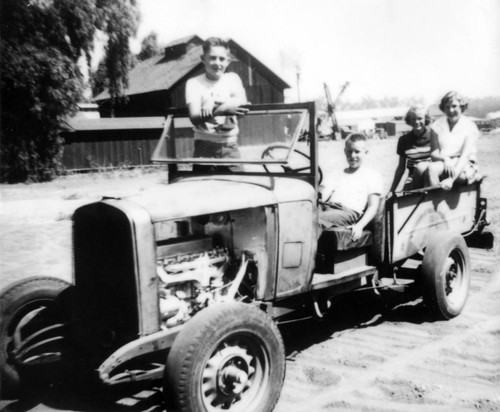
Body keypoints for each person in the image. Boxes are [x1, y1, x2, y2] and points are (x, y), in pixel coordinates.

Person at [185, 37, 249, 171]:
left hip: (230, 146)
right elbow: (194, 117)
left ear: (228, 61)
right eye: (212, 58)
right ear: (203, 59)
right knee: (204, 190)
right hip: (204, 148)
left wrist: (213, 103)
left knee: (239, 187)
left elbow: (242, 103)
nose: (217, 63)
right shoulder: (194, 83)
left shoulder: (233, 79)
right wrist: (219, 110)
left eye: (222, 59)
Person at [319, 133, 383, 241]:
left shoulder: (372, 175)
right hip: (328, 207)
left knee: (315, 220)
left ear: (366, 152)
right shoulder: (336, 173)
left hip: (348, 212)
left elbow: (373, 207)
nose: (353, 155)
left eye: (357, 151)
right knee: (303, 214)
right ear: (345, 151)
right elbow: (322, 196)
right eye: (349, 151)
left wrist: (360, 226)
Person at [424, 91, 479, 190]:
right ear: (443, 108)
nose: (450, 110)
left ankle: (436, 202)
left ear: (462, 107)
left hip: (464, 165)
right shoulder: (436, 126)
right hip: (444, 162)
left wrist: (451, 179)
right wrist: (445, 159)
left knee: (432, 169)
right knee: (422, 168)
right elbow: (434, 154)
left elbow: (465, 156)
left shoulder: (469, 126)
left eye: (454, 106)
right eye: (447, 107)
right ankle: (419, 200)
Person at [389, 105, 434, 192]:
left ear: (426, 119)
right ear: (409, 120)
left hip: (431, 176)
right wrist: (392, 190)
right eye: (413, 119)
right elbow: (401, 168)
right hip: (413, 179)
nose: (417, 122)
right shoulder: (403, 140)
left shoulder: (434, 136)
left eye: (420, 118)